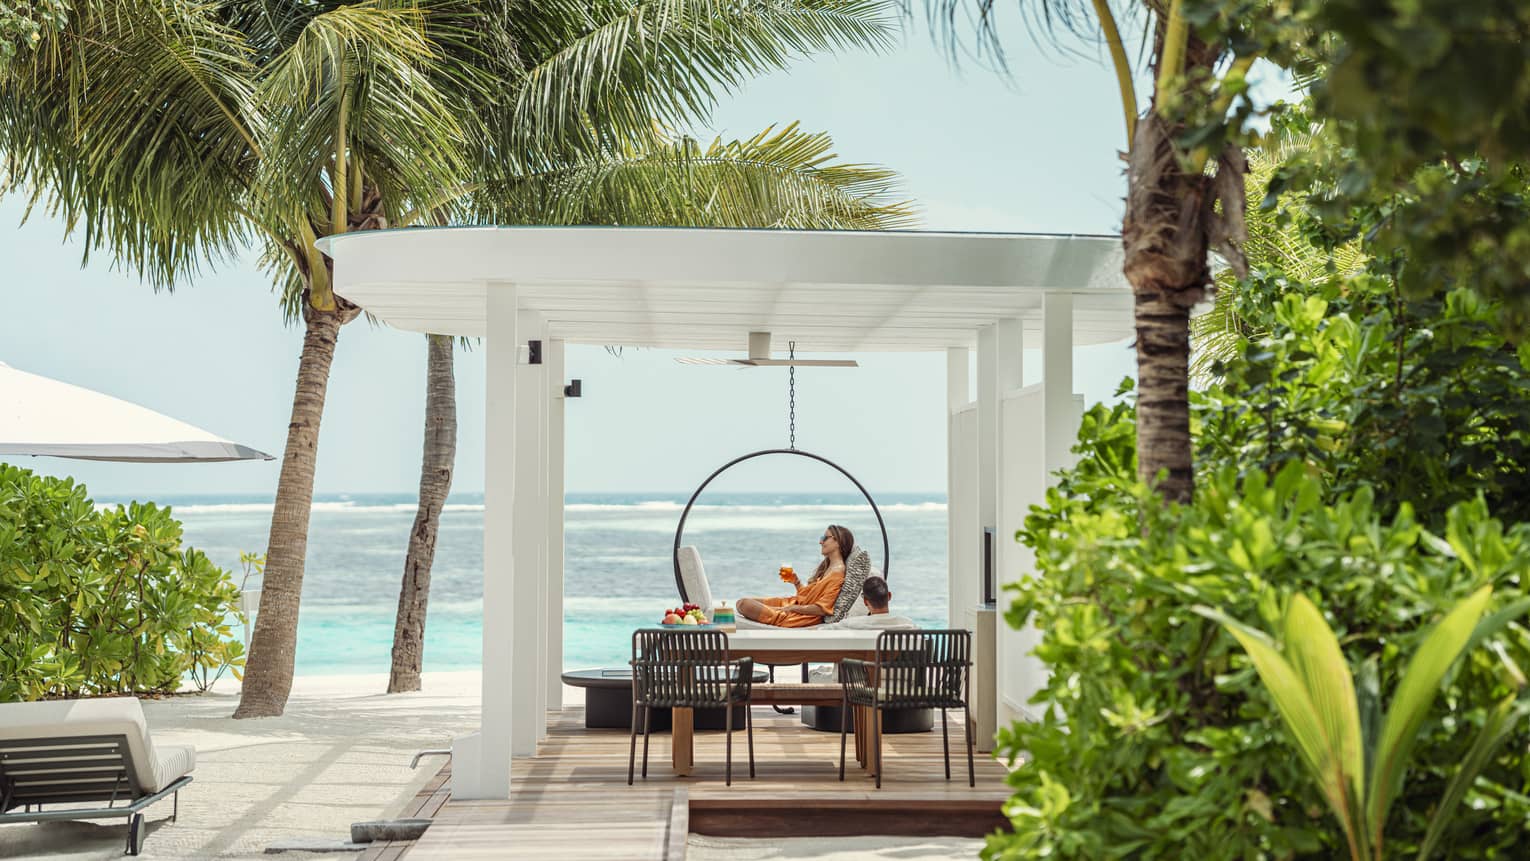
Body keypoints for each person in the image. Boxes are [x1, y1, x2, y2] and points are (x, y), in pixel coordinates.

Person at [737, 524, 852, 628]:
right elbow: (807, 598)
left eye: (824, 538)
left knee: (744, 604)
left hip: (799, 617)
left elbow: (821, 609)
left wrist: (791, 609)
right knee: (741, 602)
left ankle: (776, 613)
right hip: (793, 603)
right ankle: (776, 610)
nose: (820, 542)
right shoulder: (829, 567)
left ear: (838, 542)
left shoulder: (837, 573)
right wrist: (796, 582)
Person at [836, 575, 917, 630]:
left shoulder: (851, 624)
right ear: (889, 596)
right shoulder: (908, 625)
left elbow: (830, 629)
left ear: (865, 601)